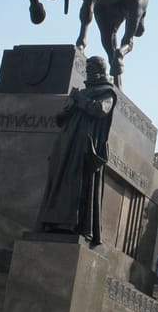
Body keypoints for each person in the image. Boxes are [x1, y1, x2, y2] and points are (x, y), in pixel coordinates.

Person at [37, 56, 118, 244]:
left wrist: (80, 99)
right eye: (87, 68)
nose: (88, 71)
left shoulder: (107, 92)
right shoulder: (81, 92)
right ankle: (53, 222)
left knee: (77, 184)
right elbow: (59, 118)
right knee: (60, 183)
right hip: (67, 145)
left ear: (101, 69)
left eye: (92, 68)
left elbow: (99, 110)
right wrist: (70, 106)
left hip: (84, 147)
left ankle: (73, 225)